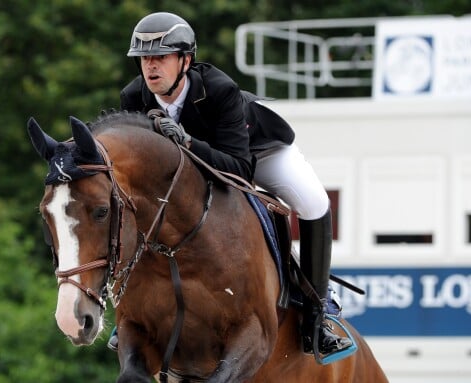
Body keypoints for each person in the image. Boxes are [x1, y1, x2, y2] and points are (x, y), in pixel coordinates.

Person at [108, 11, 353, 362]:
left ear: (185, 60)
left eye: (160, 57)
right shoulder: (134, 98)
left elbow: (239, 167)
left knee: (314, 203)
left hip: (257, 152)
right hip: (190, 169)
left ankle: (318, 313)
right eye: (145, 58)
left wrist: (188, 143)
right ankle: (135, 310)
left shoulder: (219, 89)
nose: (151, 67)